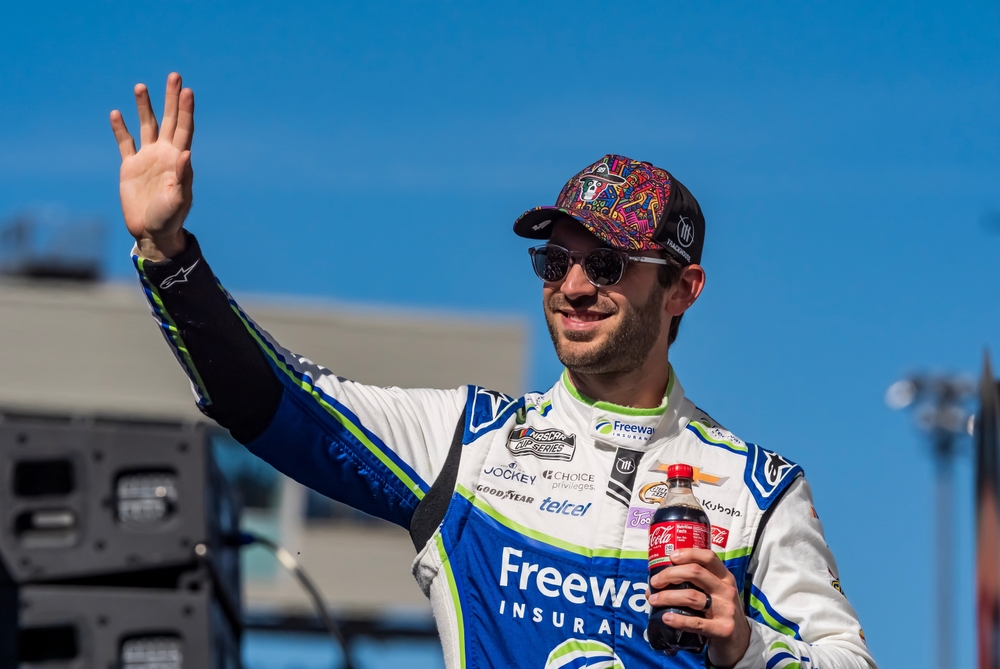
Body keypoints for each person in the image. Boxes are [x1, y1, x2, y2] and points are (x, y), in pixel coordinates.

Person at [110, 73, 876, 669]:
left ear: (683, 288)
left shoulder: (757, 489)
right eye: (554, 260)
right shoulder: (466, 441)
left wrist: (747, 646)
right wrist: (170, 258)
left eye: (606, 264)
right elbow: (272, 401)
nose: (573, 287)